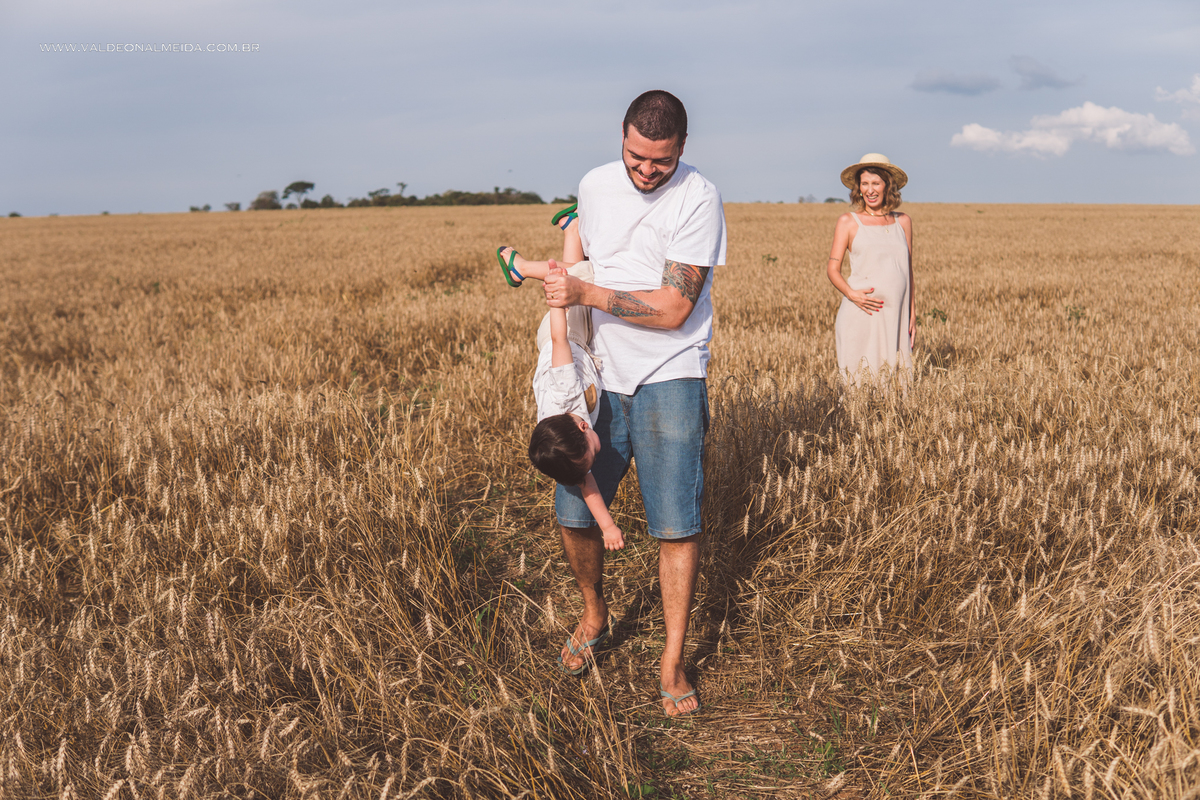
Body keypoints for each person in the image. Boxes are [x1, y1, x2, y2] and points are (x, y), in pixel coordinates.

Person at [542, 90, 726, 717]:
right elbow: (586, 259)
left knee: (675, 523)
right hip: (598, 376)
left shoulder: (699, 198)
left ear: (682, 149)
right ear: (621, 137)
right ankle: (595, 612)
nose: (647, 170)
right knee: (574, 509)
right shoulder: (594, 185)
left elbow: (674, 309)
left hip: (670, 371)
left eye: (661, 161)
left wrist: (586, 294)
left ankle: (672, 659)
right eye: (636, 157)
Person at [825, 153, 915, 385]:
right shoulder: (848, 221)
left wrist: (912, 314)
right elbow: (832, 268)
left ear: (888, 186)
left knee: (897, 385)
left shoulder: (903, 221)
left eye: (876, 183)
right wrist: (851, 294)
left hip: (896, 315)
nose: (870, 190)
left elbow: (908, 271)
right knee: (859, 384)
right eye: (864, 184)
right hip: (861, 312)